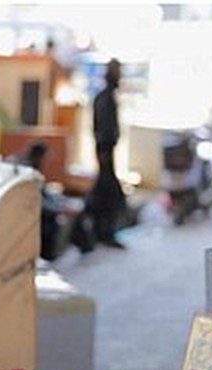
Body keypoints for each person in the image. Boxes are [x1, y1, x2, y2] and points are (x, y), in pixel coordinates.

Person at [86, 58, 126, 249]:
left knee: (106, 194)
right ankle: (101, 233)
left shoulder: (107, 96)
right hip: (105, 152)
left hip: (107, 152)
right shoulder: (104, 98)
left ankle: (101, 233)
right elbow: (103, 129)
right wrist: (104, 151)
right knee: (106, 195)